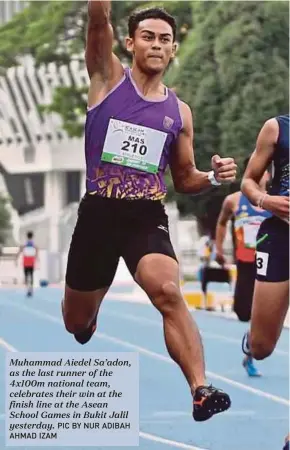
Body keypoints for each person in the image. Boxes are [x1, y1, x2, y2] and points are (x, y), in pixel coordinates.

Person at [62, 1, 237, 422]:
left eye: (164, 39)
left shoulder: (178, 113)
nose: (156, 45)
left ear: (173, 49)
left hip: (145, 214)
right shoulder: (106, 78)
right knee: (75, 323)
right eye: (148, 37)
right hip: (99, 214)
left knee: (168, 291)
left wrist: (212, 178)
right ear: (130, 43)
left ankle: (199, 389)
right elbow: (98, 18)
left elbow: (185, 179)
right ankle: (88, 319)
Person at [241, 114, 289, 377]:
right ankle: (250, 343)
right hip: (281, 239)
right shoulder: (276, 128)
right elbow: (247, 181)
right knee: (262, 347)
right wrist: (264, 200)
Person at [215, 158, 271, 376]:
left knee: (266, 313)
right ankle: (252, 340)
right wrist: (219, 249)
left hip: (272, 261)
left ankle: (254, 346)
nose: (262, 176)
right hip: (246, 262)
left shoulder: (276, 199)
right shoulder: (234, 200)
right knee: (242, 311)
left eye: (265, 172)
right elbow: (221, 222)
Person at [16, 231, 38, 297]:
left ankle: (28, 290)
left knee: (26, 276)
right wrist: (37, 260)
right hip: (31, 263)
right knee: (31, 276)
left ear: (27, 236)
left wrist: (16, 259)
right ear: (32, 236)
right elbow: (36, 254)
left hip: (26, 263)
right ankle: (31, 289)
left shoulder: (24, 245)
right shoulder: (34, 245)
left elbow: (19, 252)